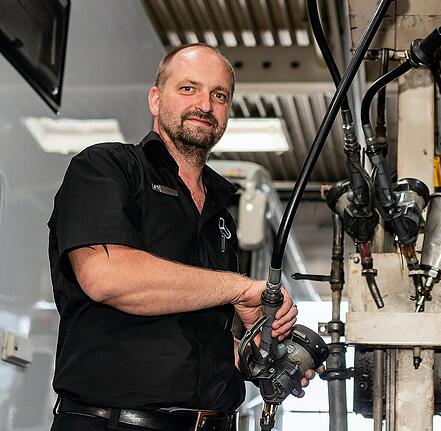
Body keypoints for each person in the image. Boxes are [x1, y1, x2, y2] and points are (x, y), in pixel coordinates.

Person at [47, 43, 319, 431]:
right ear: (156, 99)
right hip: (114, 424)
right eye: (188, 89)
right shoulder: (107, 167)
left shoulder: (221, 214)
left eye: (219, 95)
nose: (205, 105)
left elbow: (203, 338)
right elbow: (106, 278)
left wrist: (259, 353)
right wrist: (239, 289)